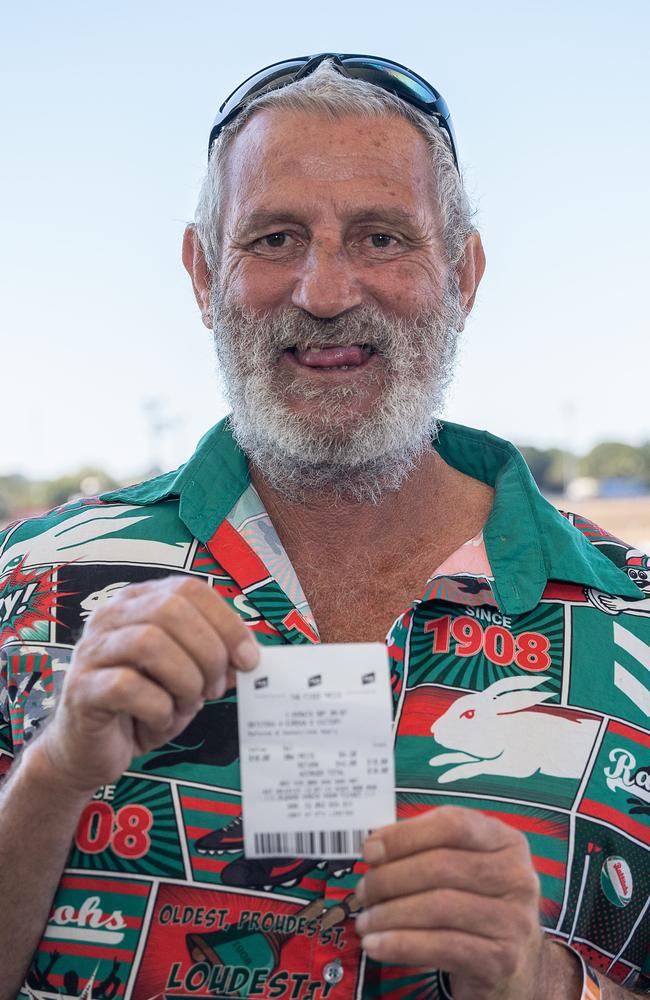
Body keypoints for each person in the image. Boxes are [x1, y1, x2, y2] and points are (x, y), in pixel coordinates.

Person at [0, 52, 648, 1000]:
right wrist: (52, 775)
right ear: (201, 272)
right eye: (273, 239)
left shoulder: (631, 618)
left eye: (383, 237)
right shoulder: (32, 580)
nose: (327, 291)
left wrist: (539, 981)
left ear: (462, 273)